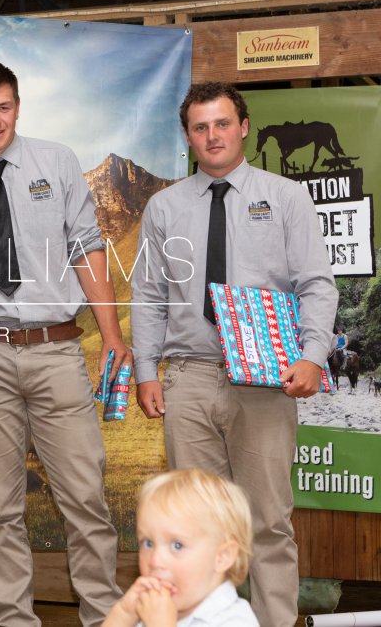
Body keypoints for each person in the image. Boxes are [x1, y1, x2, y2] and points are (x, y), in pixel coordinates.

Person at [0, 61, 127, 627]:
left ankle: (104, 616)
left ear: (17, 106)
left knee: (85, 498)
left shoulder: (56, 163)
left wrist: (111, 335)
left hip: (57, 352)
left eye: (3, 107)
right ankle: (13, 619)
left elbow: (87, 249)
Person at [131, 82, 338, 627]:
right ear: (188, 137)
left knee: (267, 522)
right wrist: (146, 370)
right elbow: (149, 295)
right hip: (189, 379)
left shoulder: (286, 197)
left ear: (244, 127)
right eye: (200, 127)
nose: (212, 135)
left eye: (222, 123)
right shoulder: (164, 207)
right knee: (193, 530)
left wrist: (314, 355)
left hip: (267, 382)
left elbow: (317, 284)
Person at [102, 469, 257, 627]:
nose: (155, 561)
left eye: (177, 545)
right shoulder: (152, 611)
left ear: (222, 557)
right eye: (148, 543)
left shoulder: (235, 620)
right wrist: (124, 613)